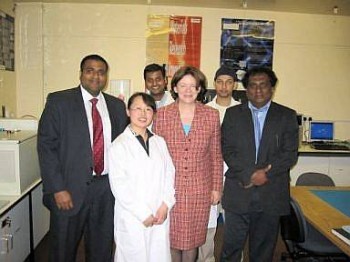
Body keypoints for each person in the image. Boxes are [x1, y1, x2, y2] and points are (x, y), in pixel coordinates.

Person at [37, 54, 128, 262]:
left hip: (106, 190)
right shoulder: (59, 101)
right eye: (90, 70)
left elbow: (125, 147)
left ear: (106, 76)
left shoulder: (116, 106)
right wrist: (57, 188)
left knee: (101, 248)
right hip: (69, 189)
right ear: (81, 74)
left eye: (101, 72)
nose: (95, 76)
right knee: (63, 249)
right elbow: (46, 147)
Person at [220, 67, 299, 262]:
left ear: (272, 88)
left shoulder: (286, 115)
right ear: (246, 90)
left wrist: (266, 174)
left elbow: (289, 154)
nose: (258, 90)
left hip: (271, 194)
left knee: (262, 252)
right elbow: (227, 149)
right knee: (230, 249)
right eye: (253, 86)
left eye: (263, 85)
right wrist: (250, 175)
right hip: (239, 192)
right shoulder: (233, 114)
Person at [153, 66, 223, 262]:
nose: (188, 90)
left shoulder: (211, 115)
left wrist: (216, 188)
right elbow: (156, 156)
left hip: (199, 189)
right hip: (170, 189)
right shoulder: (162, 115)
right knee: (173, 239)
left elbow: (216, 155)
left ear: (200, 89)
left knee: (192, 240)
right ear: (174, 88)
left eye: (193, 86)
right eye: (183, 85)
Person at [108, 92, 175, 262]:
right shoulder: (119, 145)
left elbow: (170, 173)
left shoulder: (159, 142)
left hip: (159, 213)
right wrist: (143, 213)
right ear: (128, 112)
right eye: (137, 108)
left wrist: (165, 204)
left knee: (158, 255)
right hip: (133, 216)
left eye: (148, 109)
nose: (143, 114)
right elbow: (119, 185)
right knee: (133, 255)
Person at [197, 66, 240, 262]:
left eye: (229, 82)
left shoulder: (242, 111)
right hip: (209, 177)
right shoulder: (204, 111)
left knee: (234, 226)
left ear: (235, 84)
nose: (224, 86)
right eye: (220, 81)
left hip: (234, 178)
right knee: (207, 225)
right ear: (214, 84)